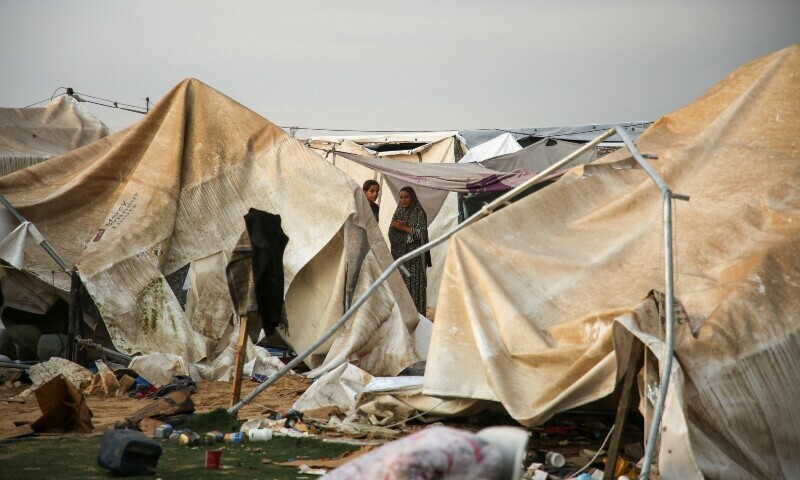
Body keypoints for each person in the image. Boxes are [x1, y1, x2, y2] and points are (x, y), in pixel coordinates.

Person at [389, 186, 430, 316]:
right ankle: (403, 318)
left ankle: (417, 317)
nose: (403, 200)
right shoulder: (399, 212)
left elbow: (422, 234)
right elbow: (392, 233)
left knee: (415, 288)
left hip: (415, 259)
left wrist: (404, 228)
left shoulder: (419, 213)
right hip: (401, 259)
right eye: (401, 197)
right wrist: (406, 235)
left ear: (412, 198)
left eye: (406, 197)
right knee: (402, 287)